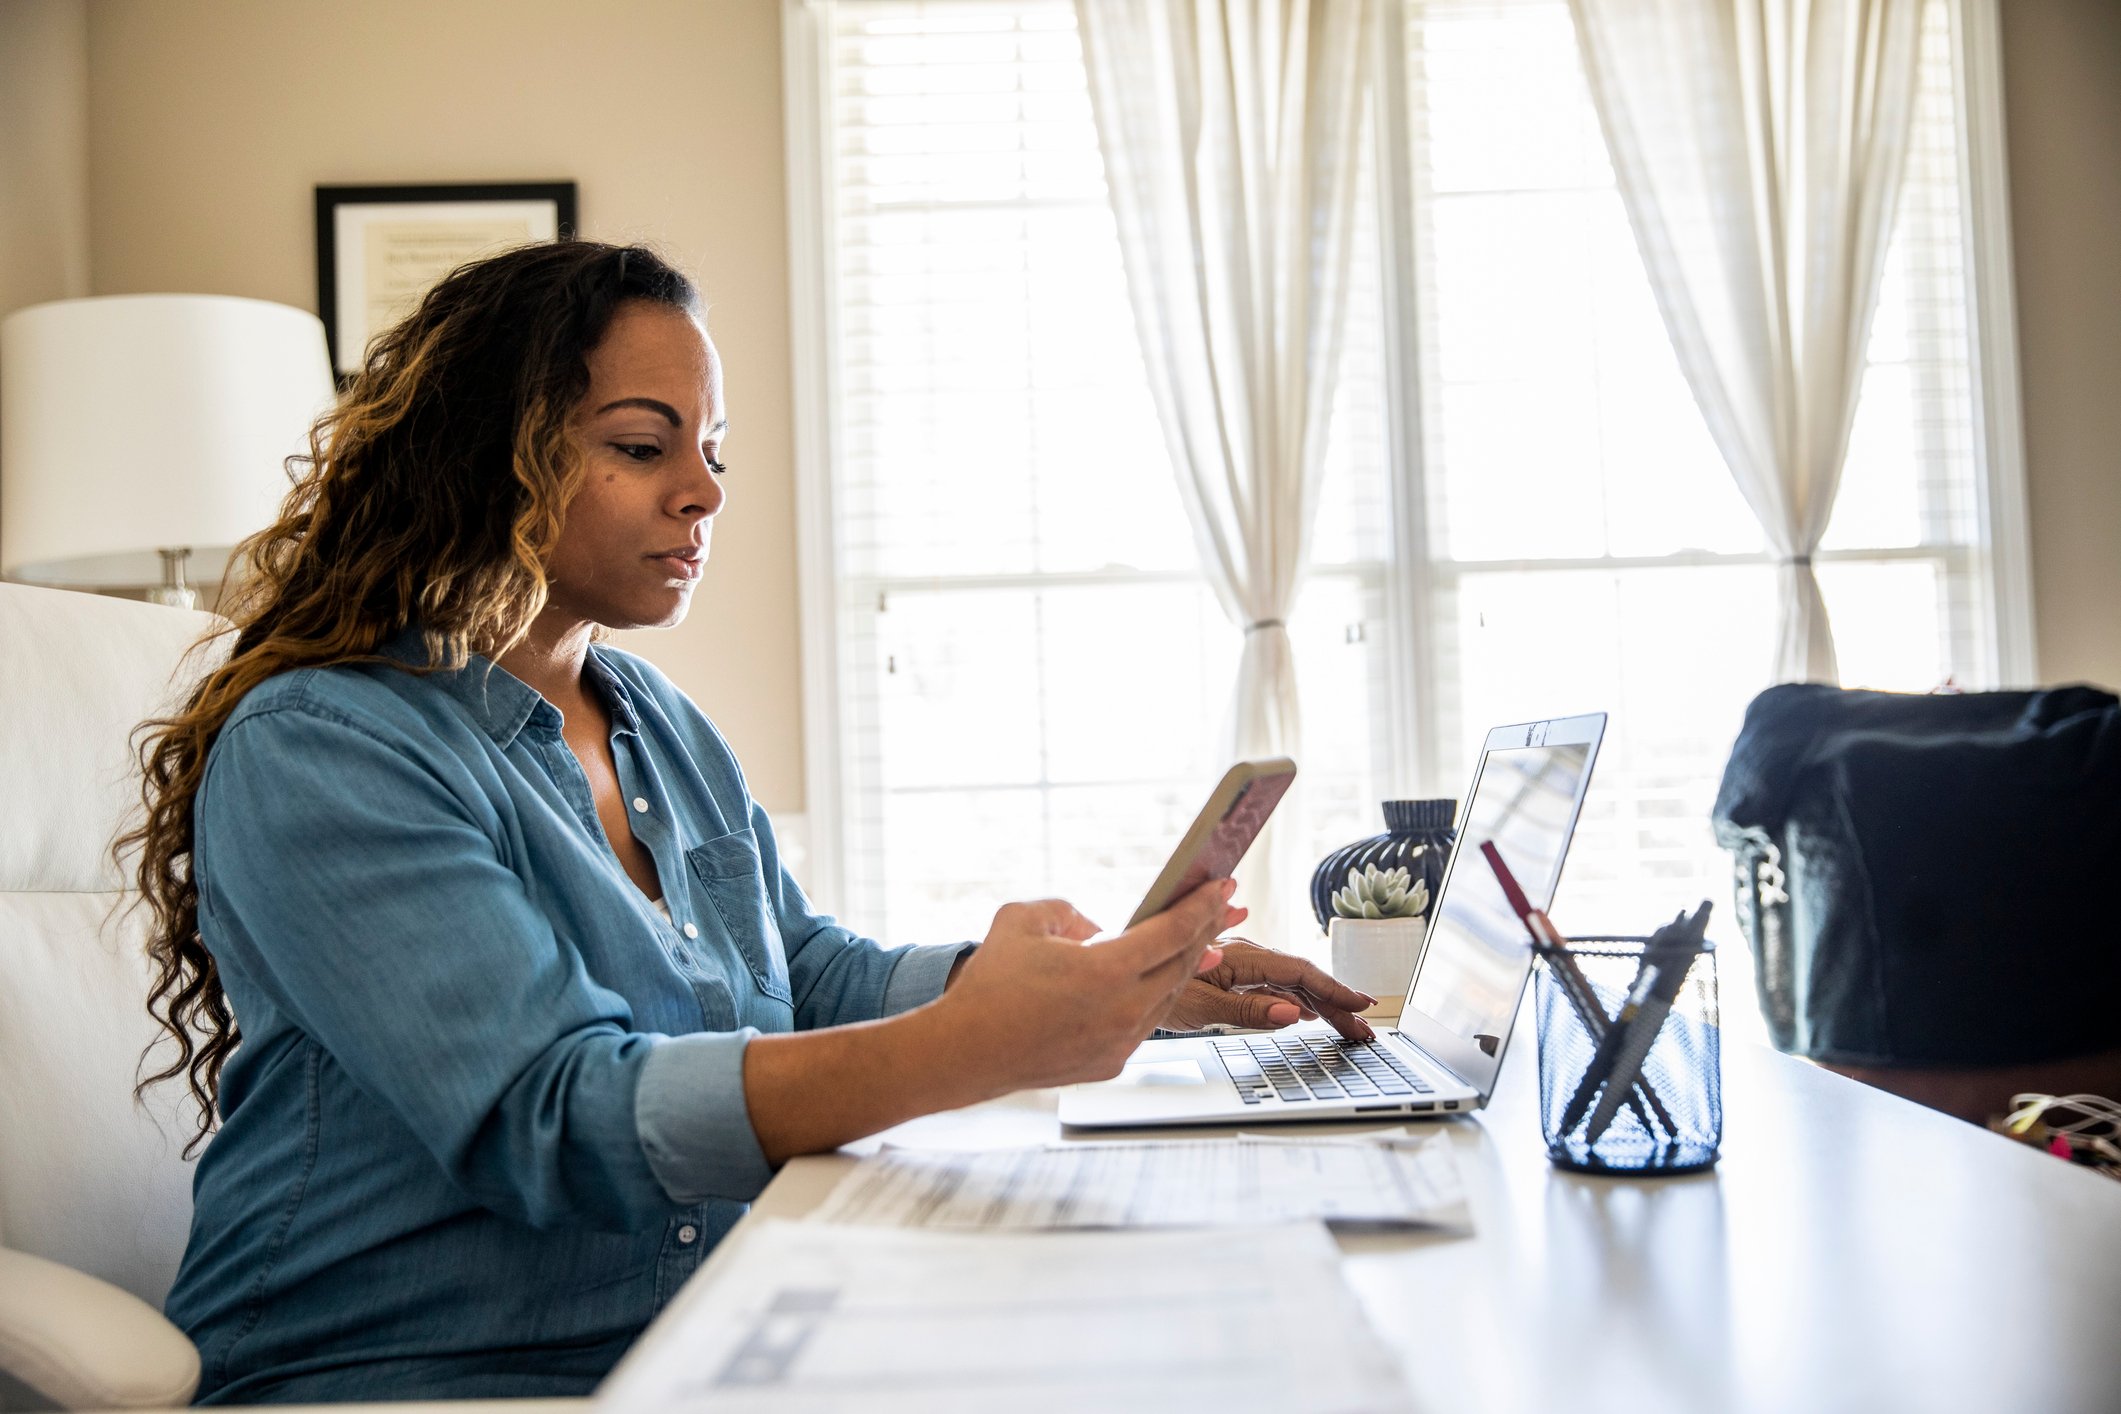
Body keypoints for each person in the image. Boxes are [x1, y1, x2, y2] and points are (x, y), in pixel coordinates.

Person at [126, 241, 1375, 1404]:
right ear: (485, 456)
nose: (705, 489)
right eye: (642, 444)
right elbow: (551, 1116)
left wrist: (1106, 985)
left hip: (702, 1340)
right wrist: (981, 1044)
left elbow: (806, 975)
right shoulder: (329, 749)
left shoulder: (654, 720)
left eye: (714, 445)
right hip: (415, 1377)